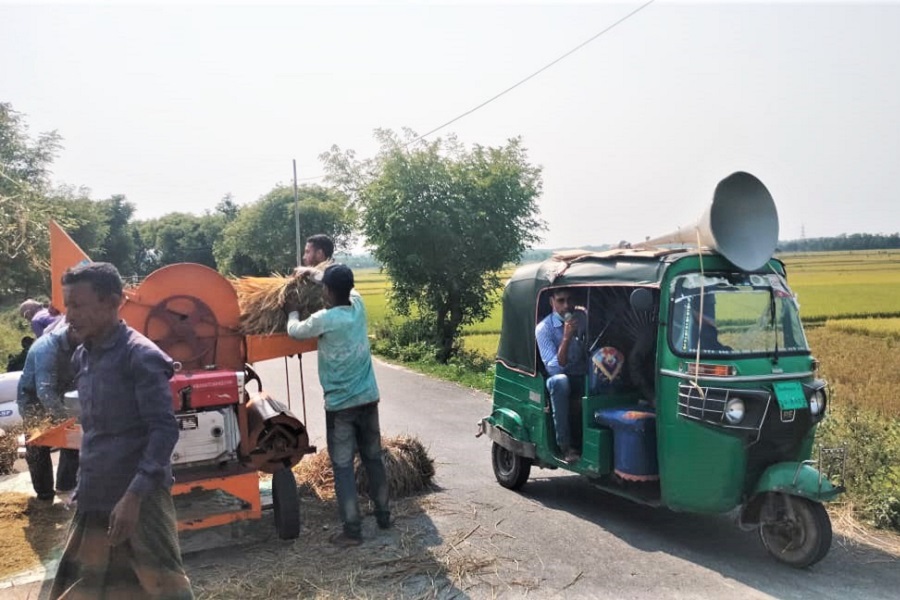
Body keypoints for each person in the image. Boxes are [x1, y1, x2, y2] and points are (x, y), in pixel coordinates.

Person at [49, 262, 193, 600]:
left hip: (139, 503)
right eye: (67, 305)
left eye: (78, 305)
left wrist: (133, 498)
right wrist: (83, 486)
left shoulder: (140, 356)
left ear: (113, 302)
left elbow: (163, 431)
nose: (70, 316)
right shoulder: (83, 356)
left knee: (165, 590)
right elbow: (96, 432)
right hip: (95, 495)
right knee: (84, 589)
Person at [285, 264, 391, 546]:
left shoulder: (324, 319)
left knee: (343, 466)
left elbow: (295, 331)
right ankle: (384, 515)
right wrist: (312, 272)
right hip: (368, 399)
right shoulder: (359, 306)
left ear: (328, 292)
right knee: (373, 458)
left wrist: (292, 310)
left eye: (324, 288)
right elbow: (338, 285)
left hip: (341, 406)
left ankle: (353, 531)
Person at [16, 323, 80, 502]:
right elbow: (44, 391)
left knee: (73, 441)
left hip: (60, 397)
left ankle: (65, 486)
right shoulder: (47, 349)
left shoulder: (80, 344)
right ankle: (44, 495)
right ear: (72, 329)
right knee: (38, 446)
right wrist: (65, 419)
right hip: (33, 401)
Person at [535, 288, 588, 463]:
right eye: (561, 301)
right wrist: (566, 338)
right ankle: (565, 446)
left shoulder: (582, 318)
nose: (566, 306)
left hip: (582, 373)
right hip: (559, 377)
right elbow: (554, 368)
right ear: (552, 302)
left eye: (570, 300)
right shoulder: (544, 328)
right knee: (560, 381)